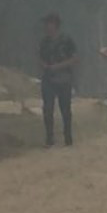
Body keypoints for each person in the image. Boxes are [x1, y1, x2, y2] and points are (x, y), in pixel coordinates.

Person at [38, 13, 78, 147]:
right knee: (48, 109)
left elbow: (74, 58)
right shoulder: (44, 42)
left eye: (49, 23)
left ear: (55, 25)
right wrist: (44, 66)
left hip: (64, 78)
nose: (46, 27)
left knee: (65, 108)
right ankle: (49, 137)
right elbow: (40, 58)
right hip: (48, 78)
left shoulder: (66, 40)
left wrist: (58, 66)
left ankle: (68, 136)